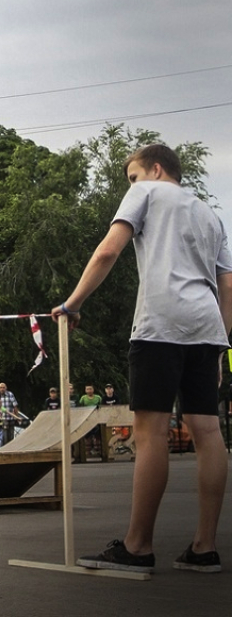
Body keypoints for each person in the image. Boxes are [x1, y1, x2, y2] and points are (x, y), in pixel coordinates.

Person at [52, 144, 232, 574]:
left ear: (154, 169)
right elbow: (229, 286)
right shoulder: (210, 214)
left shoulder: (147, 192)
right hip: (207, 329)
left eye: (132, 176)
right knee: (207, 430)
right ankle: (204, 547)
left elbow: (107, 252)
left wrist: (72, 304)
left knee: (150, 432)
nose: (130, 184)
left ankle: (137, 547)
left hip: (161, 325)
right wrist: (221, 336)